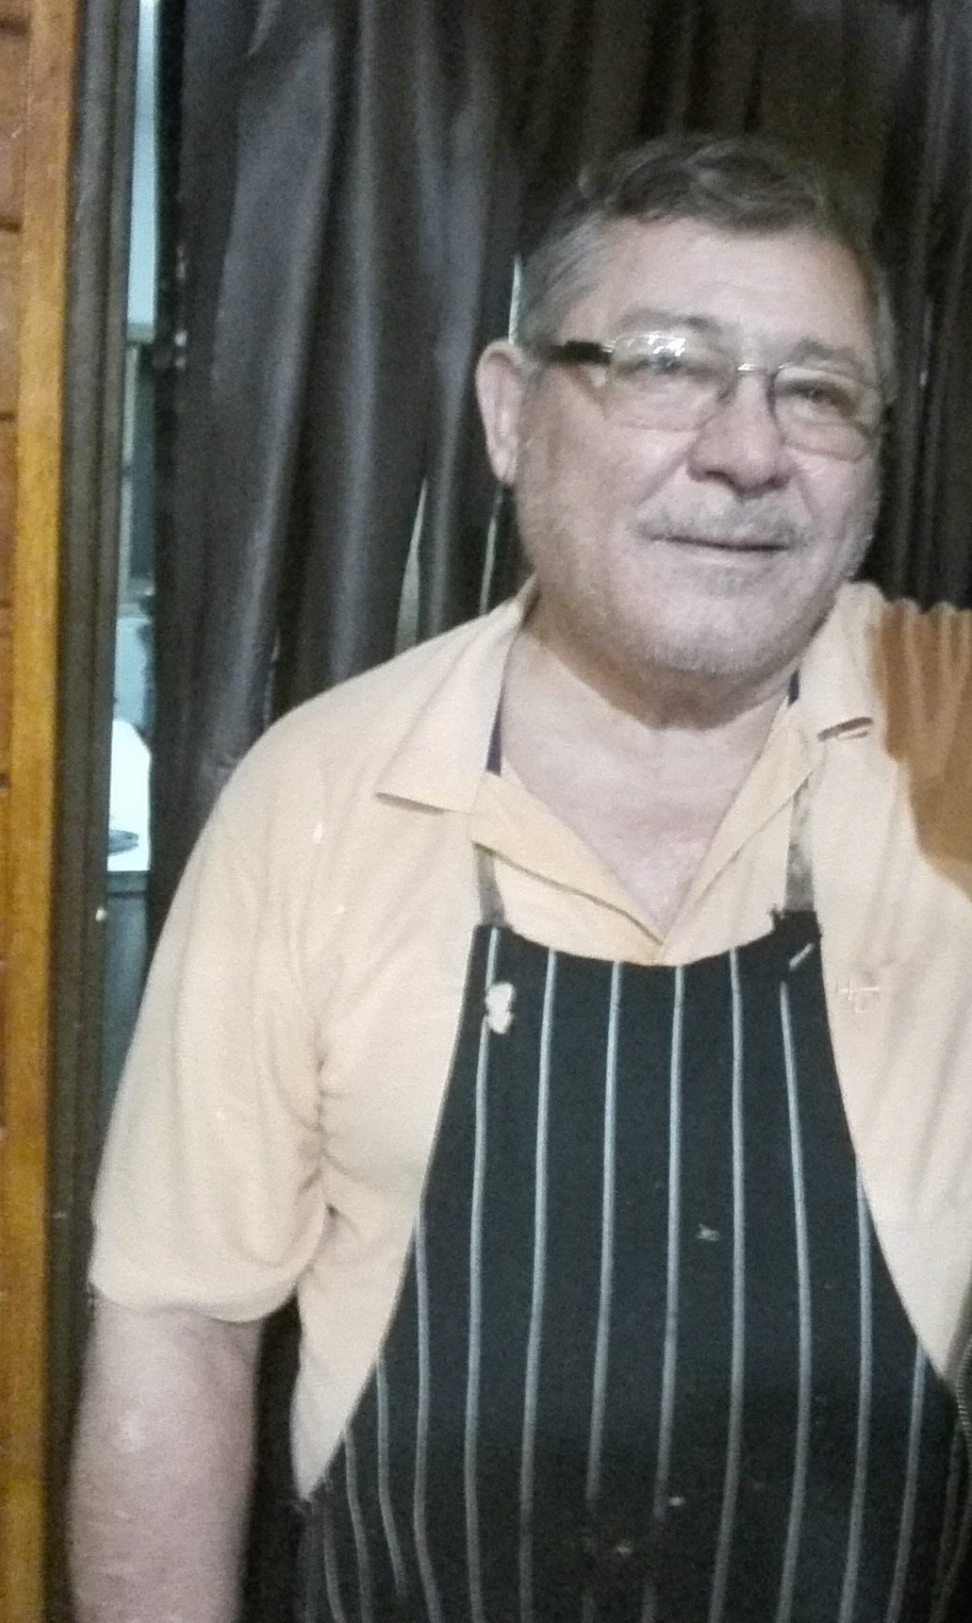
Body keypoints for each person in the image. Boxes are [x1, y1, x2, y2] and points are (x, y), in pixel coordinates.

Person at [70, 134, 972, 1622]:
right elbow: (179, 1335)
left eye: (818, 393)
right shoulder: (322, 794)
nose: (749, 452)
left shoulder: (948, 734)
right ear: (509, 411)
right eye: (668, 366)